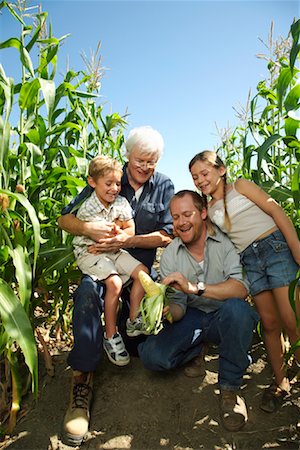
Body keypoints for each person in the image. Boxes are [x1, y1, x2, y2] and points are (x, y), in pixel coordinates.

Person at [58, 126, 175, 446]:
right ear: (127, 156)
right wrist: (89, 228)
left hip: (136, 268)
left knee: (140, 351)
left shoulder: (163, 184)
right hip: (101, 261)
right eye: (141, 160)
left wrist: (130, 239)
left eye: (153, 161)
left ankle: (130, 333)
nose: (146, 167)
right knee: (86, 295)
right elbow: (64, 218)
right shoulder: (108, 176)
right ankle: (81, 380)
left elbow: (167, 234)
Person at [188, 150, 300, 414]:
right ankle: (281, 382)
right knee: (270, 324)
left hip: (275, 248)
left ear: (221, 169)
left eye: (205, 173)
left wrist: (295, 244)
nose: (200, 180)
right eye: (195, 177)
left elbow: (275, 208)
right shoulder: (209, 211)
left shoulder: (240, 186)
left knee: (292, 318)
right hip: (250, 261)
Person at [138, 190, 259, 432]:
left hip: (223, 315)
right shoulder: (172, 252)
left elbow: (240, 289)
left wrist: (196, 288)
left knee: (239, 311)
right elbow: (180, 307)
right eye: (175, 217)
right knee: (152, 357)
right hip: (192, 317)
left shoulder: (225, 244)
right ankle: (197, 349)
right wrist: (167, 311)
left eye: (187, 214)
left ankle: (230, 389)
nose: (181, 222)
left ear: (203, 213)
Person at [73, 154, 149, 367]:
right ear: (92, 182)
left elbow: (129, 230)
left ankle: (133, 319)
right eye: (109, 183)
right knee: (114, 283)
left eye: (117, 183)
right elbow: (99, 235)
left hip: (114, 250)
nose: (115, 188)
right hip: (91, 253)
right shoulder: (87, 207)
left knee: (142, 272)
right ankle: (111, 335)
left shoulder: (121, 202)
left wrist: (118, 230)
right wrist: (115, 229)